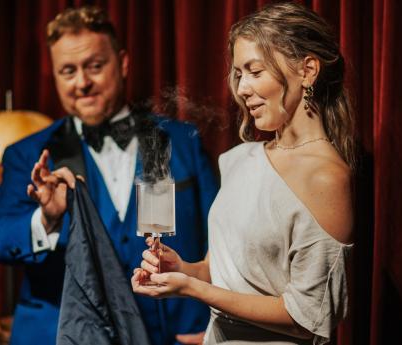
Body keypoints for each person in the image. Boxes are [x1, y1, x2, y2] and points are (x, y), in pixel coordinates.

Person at [0, 6, 218, 345]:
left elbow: (221, 240)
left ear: (122, 64)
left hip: (174, 335)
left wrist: (217, 324)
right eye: (68, 71)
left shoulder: (178, 141)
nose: (82, 83)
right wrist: (45, 219)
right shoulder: (29, 154)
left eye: (94, 66)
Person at [132, 2, 355, 344]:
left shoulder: (324, 177)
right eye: (239, 74)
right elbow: (221, 271)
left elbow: (309, 318)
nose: (242, 89)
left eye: (255, 71)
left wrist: (194, 289)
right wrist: (183, 270)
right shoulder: (238, 159)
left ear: (308, 70)